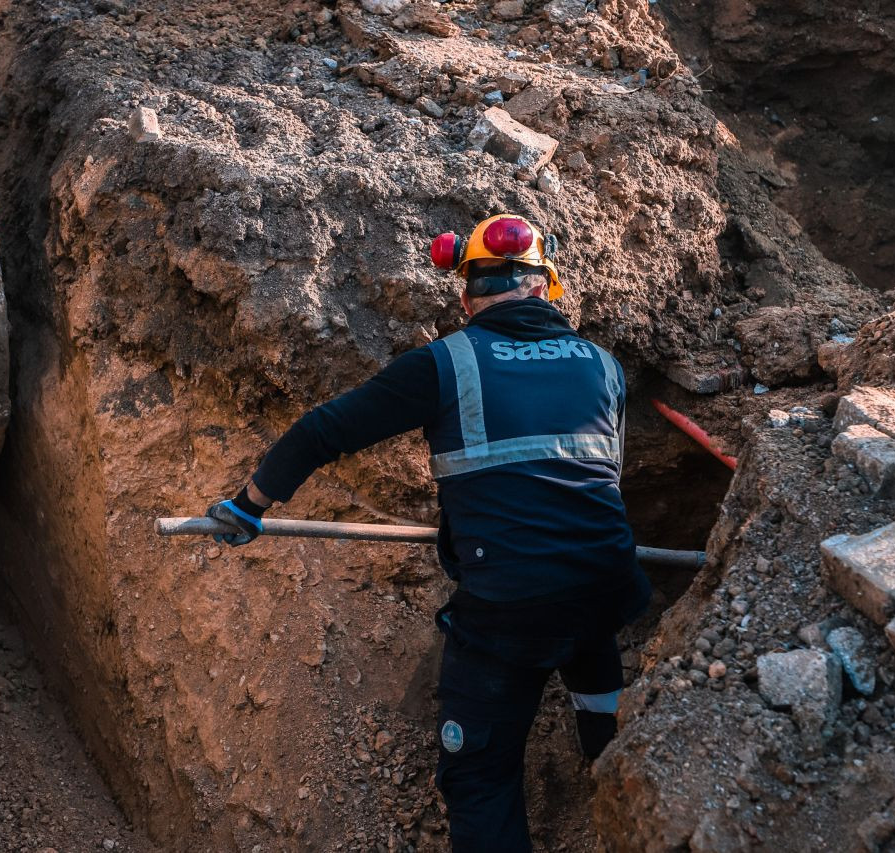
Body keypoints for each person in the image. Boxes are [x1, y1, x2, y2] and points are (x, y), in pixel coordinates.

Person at [206, 214, 652, 852]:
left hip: (509, 608)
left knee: (479, 777)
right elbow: (598, 484)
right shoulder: (604, 367)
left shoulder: (446, 363)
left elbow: (321, 432)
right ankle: (611, 762)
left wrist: (249, 506)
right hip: (606, 583)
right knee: (594, 672)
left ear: (466, 295)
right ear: (548, 289)